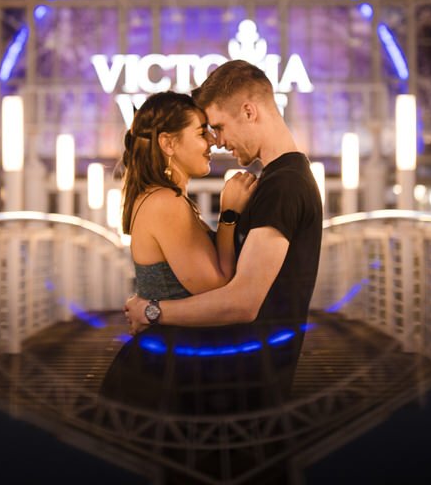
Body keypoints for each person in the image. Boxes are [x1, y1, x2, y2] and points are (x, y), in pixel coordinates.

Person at [124, 60, 323, 398]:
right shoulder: (275, 182)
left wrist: (152, 310)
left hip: (241, 376)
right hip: (219, 376)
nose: (216, 141)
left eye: (216, 126)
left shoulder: (284, 187)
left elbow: (241, 301)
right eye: (205, 131)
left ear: (249, 111)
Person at [98, 90, 257, 413]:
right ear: (169, 144)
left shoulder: (164, 198)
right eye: (201, 132)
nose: (211, 141)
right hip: (171, 369)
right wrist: (229, 214)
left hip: (172, 358)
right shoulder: (164, 202)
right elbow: (215, 286)